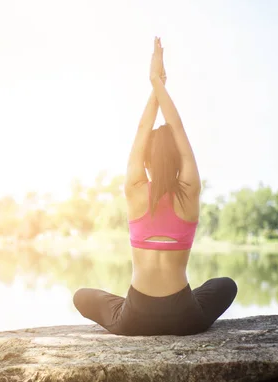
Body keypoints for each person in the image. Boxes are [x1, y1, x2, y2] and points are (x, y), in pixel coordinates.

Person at [73, 37, 237, 336]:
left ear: (145, 162)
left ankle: (128, 305)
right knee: (226, 285)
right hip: (185, 318)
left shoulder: (135, 189)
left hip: (136, 317)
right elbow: (178, 128)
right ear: (179, 161)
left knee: (81, 295)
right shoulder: (190, 190)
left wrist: (154, 83)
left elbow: (141, 130)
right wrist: (158, 84)